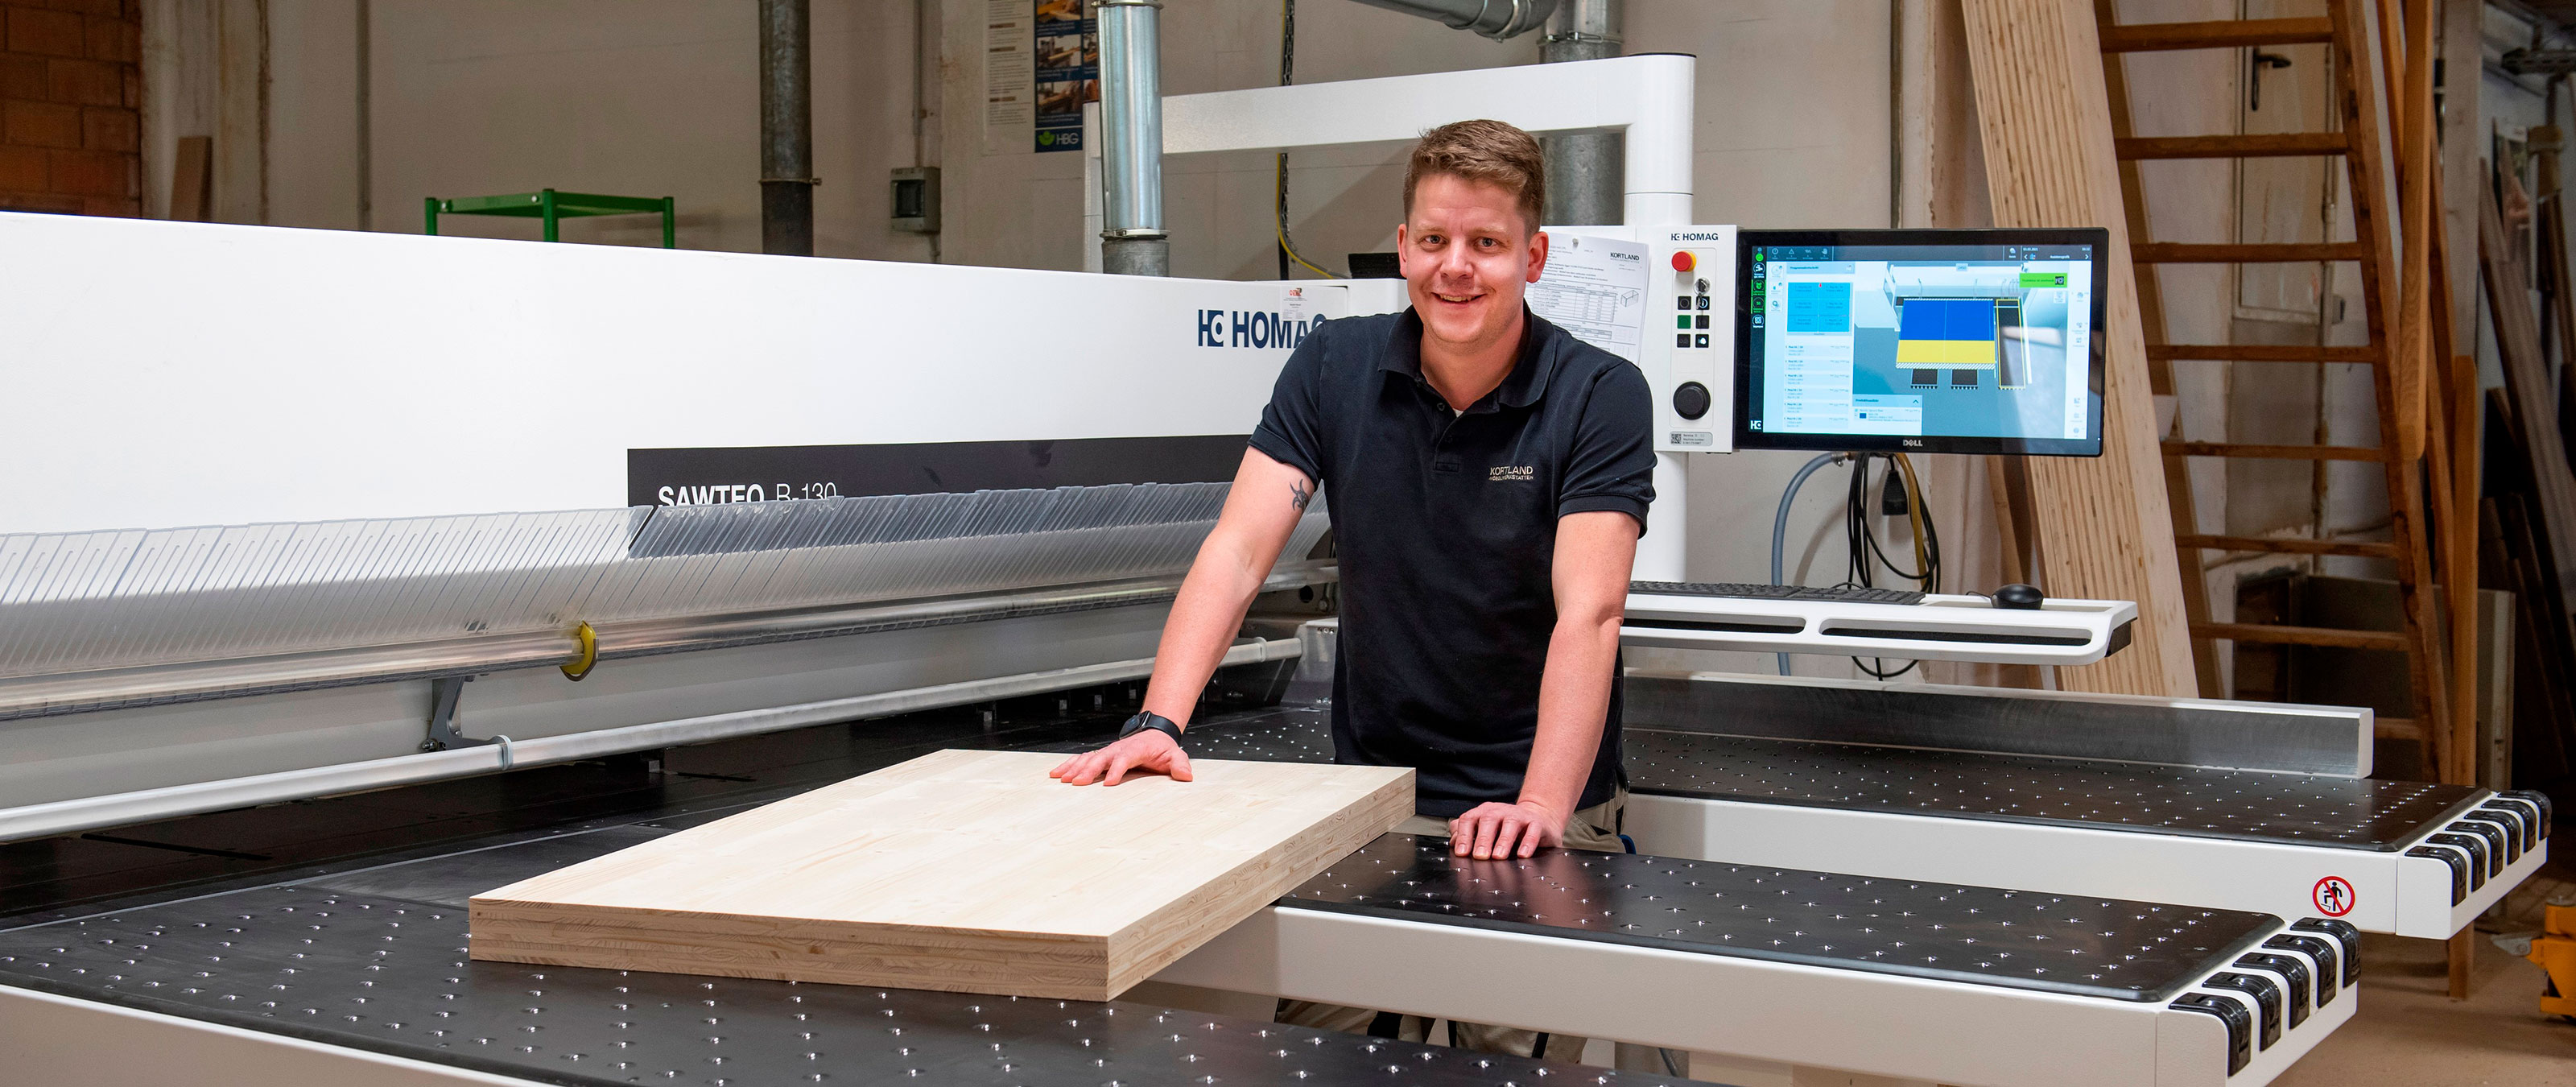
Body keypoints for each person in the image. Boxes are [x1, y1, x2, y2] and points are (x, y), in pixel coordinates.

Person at [1049, 118, 1653, 1062]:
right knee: (1319, 1054)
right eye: (1434, 240)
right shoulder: (1333, 367)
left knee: (1505, 1057)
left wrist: (1539, 804)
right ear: (1404, 245)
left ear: (1532, 257)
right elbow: (1237, 554)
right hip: (1372, 791)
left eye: (1486, 244)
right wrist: (1158, 722)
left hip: (1532, 796)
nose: (1455, 268)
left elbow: (1591, 609)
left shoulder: (1597, 393)